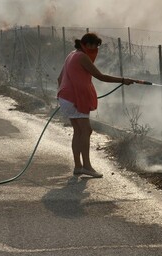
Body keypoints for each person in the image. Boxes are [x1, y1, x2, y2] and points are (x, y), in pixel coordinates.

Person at [57, 32, 139, 178]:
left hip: (66, 97)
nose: (94, 50)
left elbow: (59, 78)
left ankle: (78, 166)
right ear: (86, 44)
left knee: (78, 131)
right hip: (75, 98)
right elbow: (101, 76)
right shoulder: (82, 56)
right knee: (86, 130)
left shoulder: (72, 54)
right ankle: (87, 167)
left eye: (96, 47)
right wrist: (123, 80)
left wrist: (65, 97)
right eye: (93, 47)